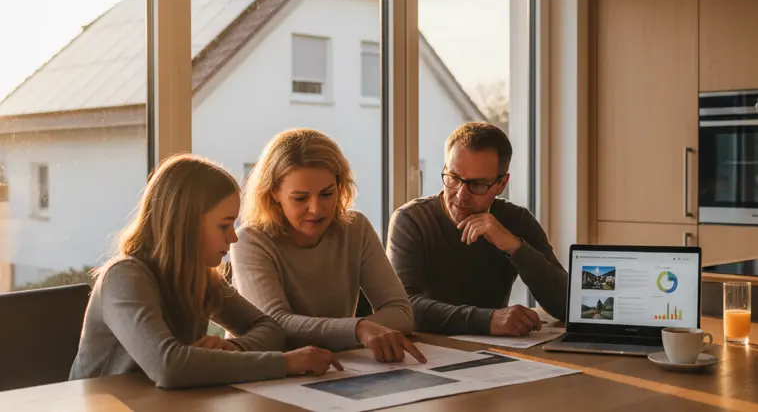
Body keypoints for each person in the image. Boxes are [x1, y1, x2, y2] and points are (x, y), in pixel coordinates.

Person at [69, 154, 341, 389]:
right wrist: (284, 363)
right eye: (223, 226)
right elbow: (169, 366)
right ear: (184, 225)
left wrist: (235, 348)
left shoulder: (200, 276)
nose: (233, 238)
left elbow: (268, 328)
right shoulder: (124, 277)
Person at [231, 129, 425, 364]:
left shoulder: (356, 228)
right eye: (300, 198)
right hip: (263, 374)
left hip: (333, 366)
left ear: (340, 187)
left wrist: (356, 330)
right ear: (274, 193)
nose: (316, 208)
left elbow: (402, 312)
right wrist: (357, 329)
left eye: (326, 194)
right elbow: (275, 325)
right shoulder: (250, 241)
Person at [387, 122, 568, 336]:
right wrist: (488, 320)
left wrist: (514, 246)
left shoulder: (517, 220)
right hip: (427, 351)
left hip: (495, 353)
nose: (461, 195)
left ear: (502, 184)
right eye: (453, 178)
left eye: (478, 184)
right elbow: (403, 309)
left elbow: (567, 305)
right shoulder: (411, 220)